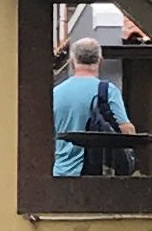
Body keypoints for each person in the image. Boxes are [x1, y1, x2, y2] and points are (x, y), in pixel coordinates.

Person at [52, 29, 140, 179]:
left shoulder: (56, 92)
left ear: (72, 62)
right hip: (97, 175)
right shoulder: (107, 90)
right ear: (100, 61)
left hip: (62, 172)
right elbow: (126, 130)